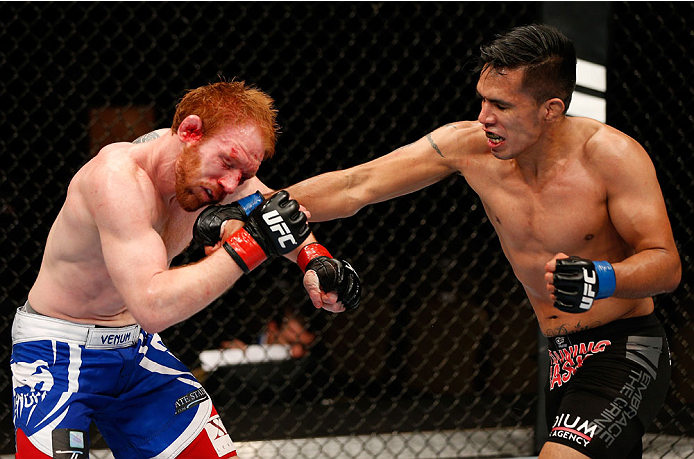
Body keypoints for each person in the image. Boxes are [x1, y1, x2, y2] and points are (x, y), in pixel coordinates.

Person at [274, 24, 680, 459]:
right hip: (561, 359)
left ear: (550, 109)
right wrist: (253, 212)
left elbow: (666, 266)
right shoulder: (469, 147)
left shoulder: (612, 157)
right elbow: (357, 185)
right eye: (483, 98)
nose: (485, 115)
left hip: (625, 348)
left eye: (502, 104)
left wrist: (603, 277)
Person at [11, 81, 359, 458]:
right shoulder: (116, 180)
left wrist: (316, 260)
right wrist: (251, 244)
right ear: (189, 131)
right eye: (227, 164)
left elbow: (274, 212)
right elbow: (153, 306)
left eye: (242, 175)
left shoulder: (215, 170)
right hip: (57, 355)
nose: (231, 186)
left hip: (137, 350)